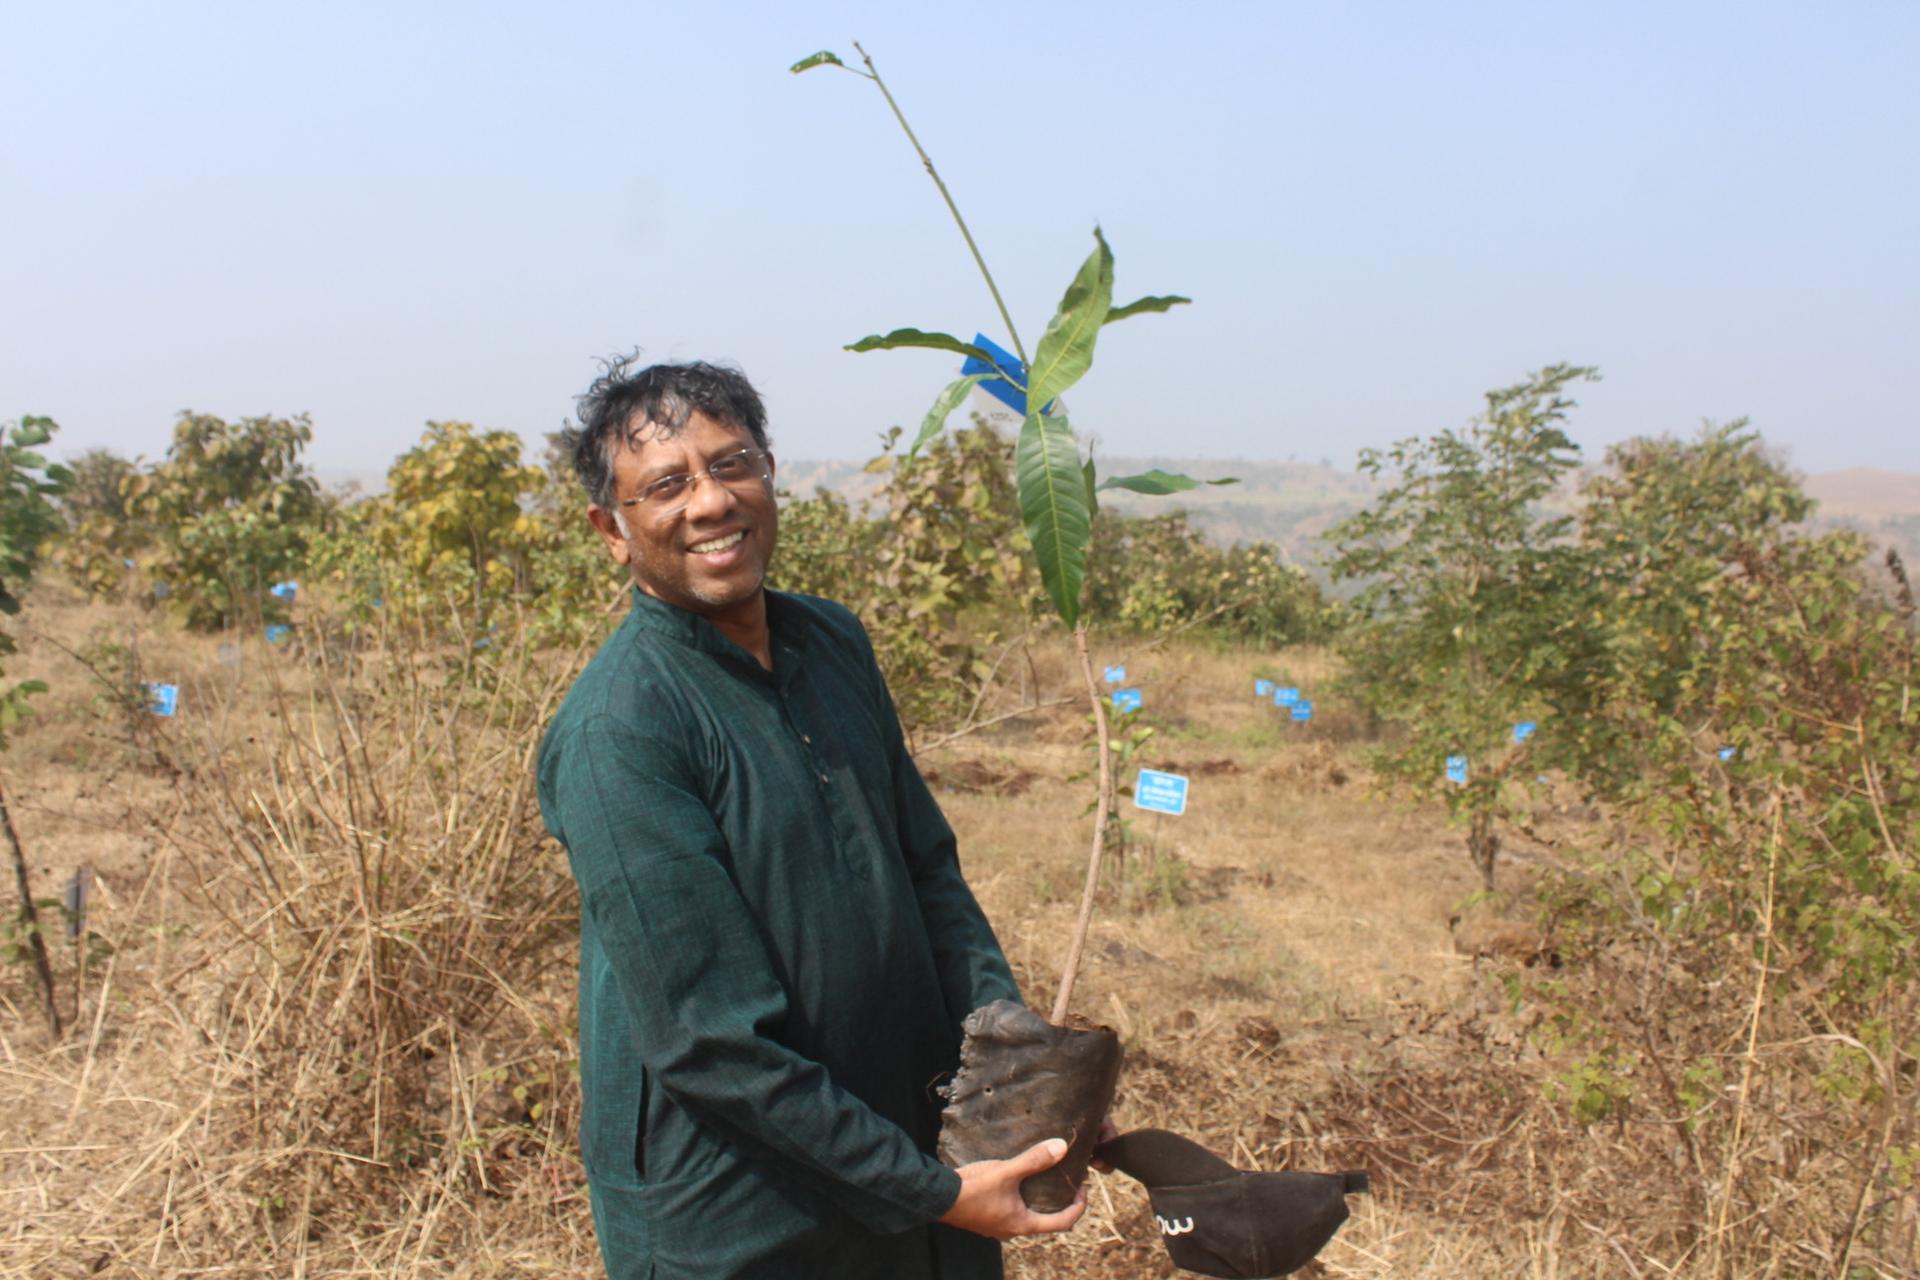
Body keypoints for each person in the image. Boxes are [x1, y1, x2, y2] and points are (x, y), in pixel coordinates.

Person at [536, 357, 1087, 1279]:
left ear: (770, 471)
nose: (711, 502)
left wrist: (1026, 1079)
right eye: (666, 485)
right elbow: (711, 1042)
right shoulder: (619, 731)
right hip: (746, 1215)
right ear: (613, 531)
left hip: (919, 1161)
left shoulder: (830, 641)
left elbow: (929, 874)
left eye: (732, 462)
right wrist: (933, 1192)